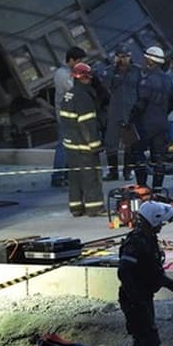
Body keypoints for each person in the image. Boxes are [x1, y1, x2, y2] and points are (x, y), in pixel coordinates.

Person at [118, 201, 173, 346]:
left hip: (141, 296)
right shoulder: (137, 242)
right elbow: (124, 271)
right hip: (135, 299)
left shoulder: (148, 239)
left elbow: (153, 273)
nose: (162, 226)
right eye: (160, 222)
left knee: (141, 340)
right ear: (153, 220)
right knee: (149, 341)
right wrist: (136, 299)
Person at [60, 63, 105, 217]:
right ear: (85, 78)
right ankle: (94, 207)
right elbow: (88, 124)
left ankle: (76, 207)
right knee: (90, 177)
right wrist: (94, 145)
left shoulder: (69, 95)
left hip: (70, 144)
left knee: (75, 178)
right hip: (83, 146)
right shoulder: (84, 97)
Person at [130, 46, 173, 190]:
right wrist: (162, 114)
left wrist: (131, 118)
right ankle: (157, 189)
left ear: (150, 60)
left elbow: (140, 104)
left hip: (145, 125)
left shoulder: (147, 80)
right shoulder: (168, 80)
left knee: (138, 155)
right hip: (162, 124)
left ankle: (142, 187)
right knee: (159, 158)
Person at [97, 45, 142, 181]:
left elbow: (142, 89)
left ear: (130, 57)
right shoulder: (109, 71)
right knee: (111, 143)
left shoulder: (137, 71)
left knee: (130, 144)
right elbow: (104, 87)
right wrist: (114, 69)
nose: (123, 59)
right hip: (114, 112)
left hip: (130, 113)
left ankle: (127, 171)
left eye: (125, 56)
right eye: (120, 56)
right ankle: (113, 172)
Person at [52, 46, 87, 187]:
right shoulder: (62, 73)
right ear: (71, 60)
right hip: (66, 117)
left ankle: (67, 174)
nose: (80, 64)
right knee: (63, 146)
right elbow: (74, 90)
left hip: (75, 115)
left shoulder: (72, 72)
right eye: (78, 61)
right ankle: (58, 175)